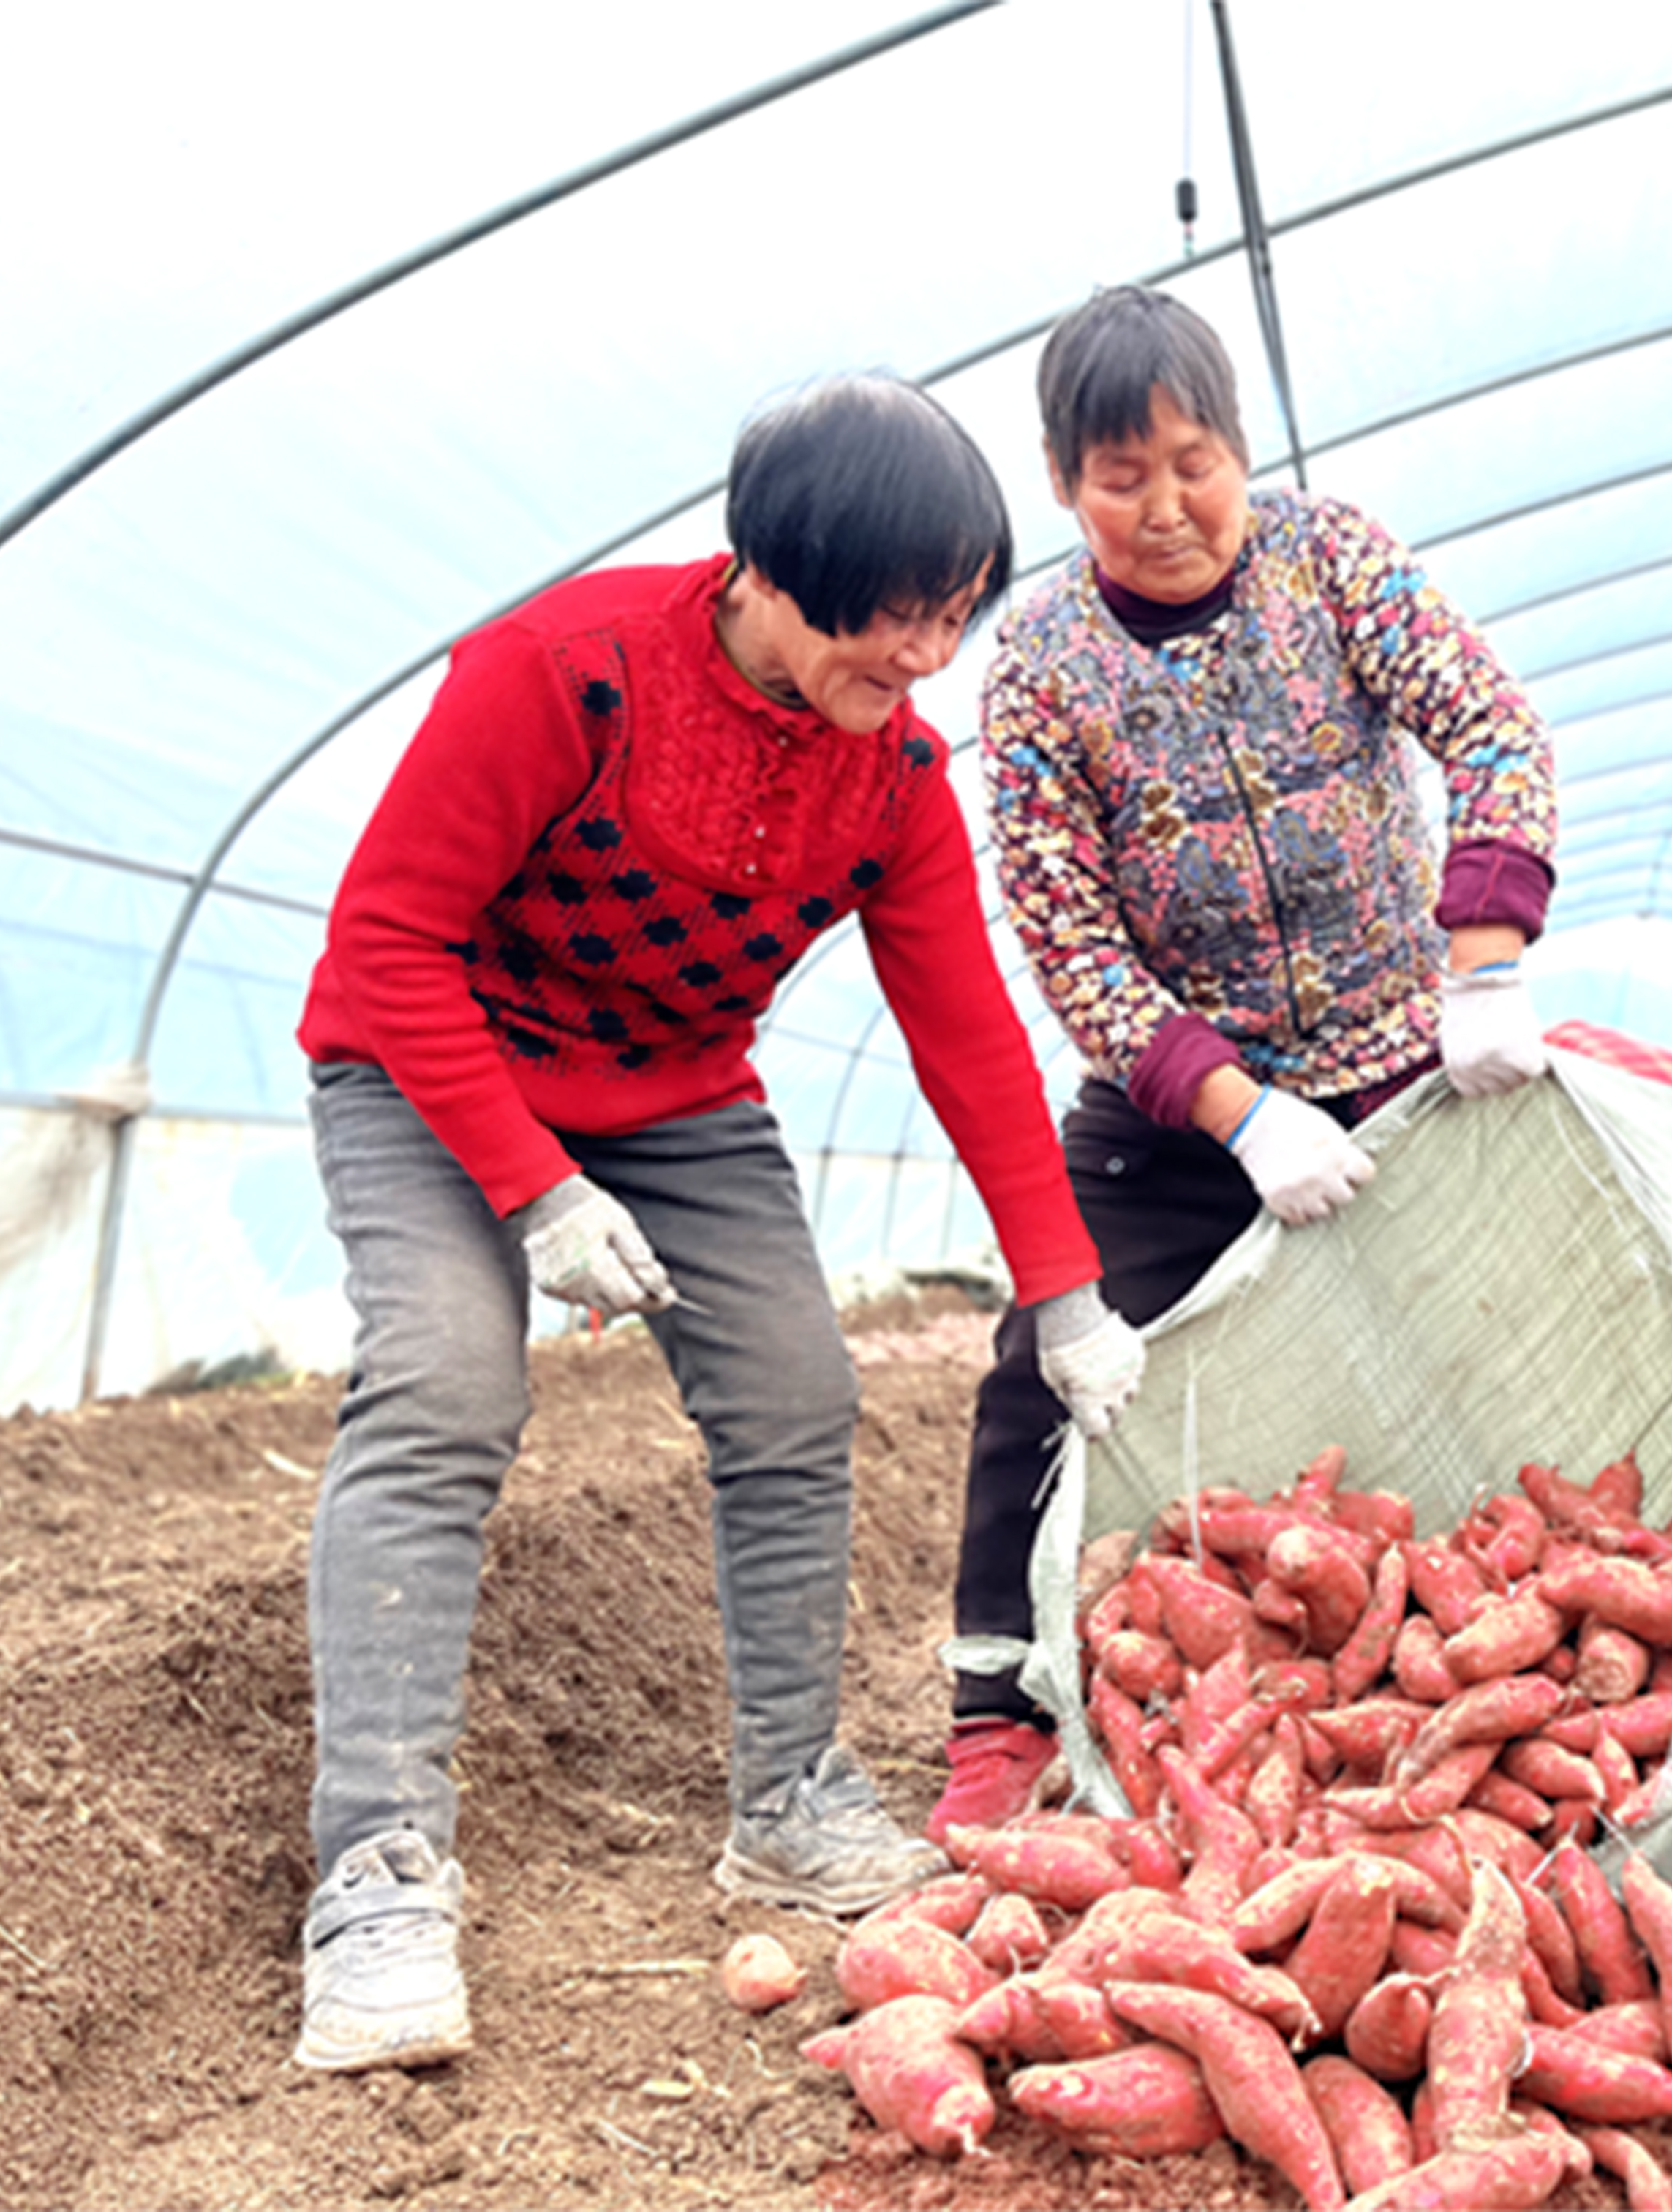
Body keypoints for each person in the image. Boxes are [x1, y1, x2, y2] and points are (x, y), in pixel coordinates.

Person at [290, 374, 1145, 2072]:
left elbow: (967, 1031)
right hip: (426, 1065)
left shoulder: (894, 777)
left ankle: (792, 1797)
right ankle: (378, 1868)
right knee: (448, 1392)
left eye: (950, 627)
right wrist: (533, 1192)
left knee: (795, 1394)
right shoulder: (564, 676)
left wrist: (1064, 1291)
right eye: (889, 628)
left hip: (675, 1092)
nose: (919, 670)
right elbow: (386, 943)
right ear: (774, 570)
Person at [931, 285, 1559, 1836]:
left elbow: (1492, 732)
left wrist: (1482, 963)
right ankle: (994, 1714)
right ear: (1065, 485)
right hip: (1180, 1117)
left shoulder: (1332, 563)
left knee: (1472, 1366)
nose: (1165, 508)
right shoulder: (1041, 664)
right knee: (1047, 1369)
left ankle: (1465, 1687)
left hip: (1402, 1065)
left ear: (1241, 447)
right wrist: (1236, 1104)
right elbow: (1071, 939)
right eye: (1119, 478)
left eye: (1192, 462)